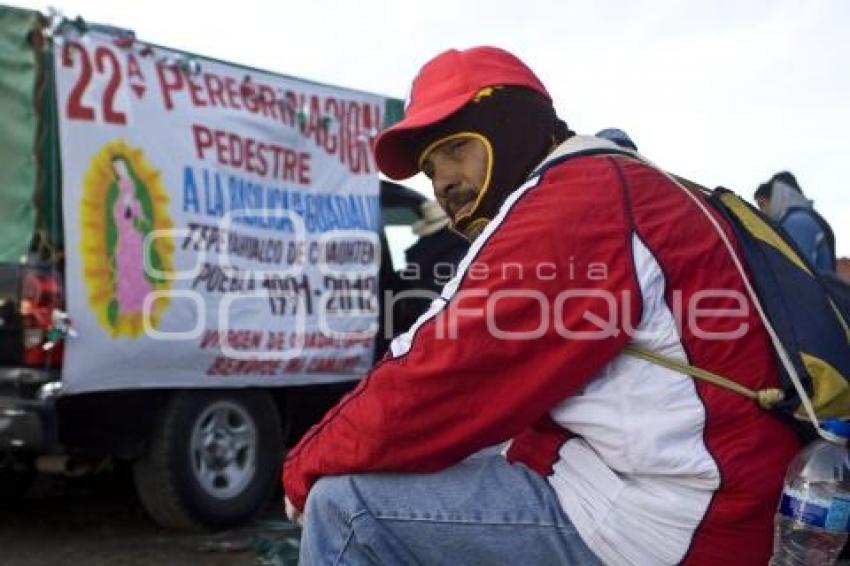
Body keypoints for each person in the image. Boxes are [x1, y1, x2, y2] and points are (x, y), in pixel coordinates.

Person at [282, 46, 799, 565]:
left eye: (457, 149)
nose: (444, 183)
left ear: (508, 123)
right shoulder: (624, 182)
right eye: (430, 170)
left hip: (678, 521)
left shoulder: (574, 201)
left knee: (345, 507)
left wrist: (303, 468)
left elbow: (438, 371)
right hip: (706, 489)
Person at [754, 171, 836, 272]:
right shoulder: (801, 219)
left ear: (777, 197)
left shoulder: (797, 222)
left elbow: (795, 273)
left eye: (762, 205)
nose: (761, 212)